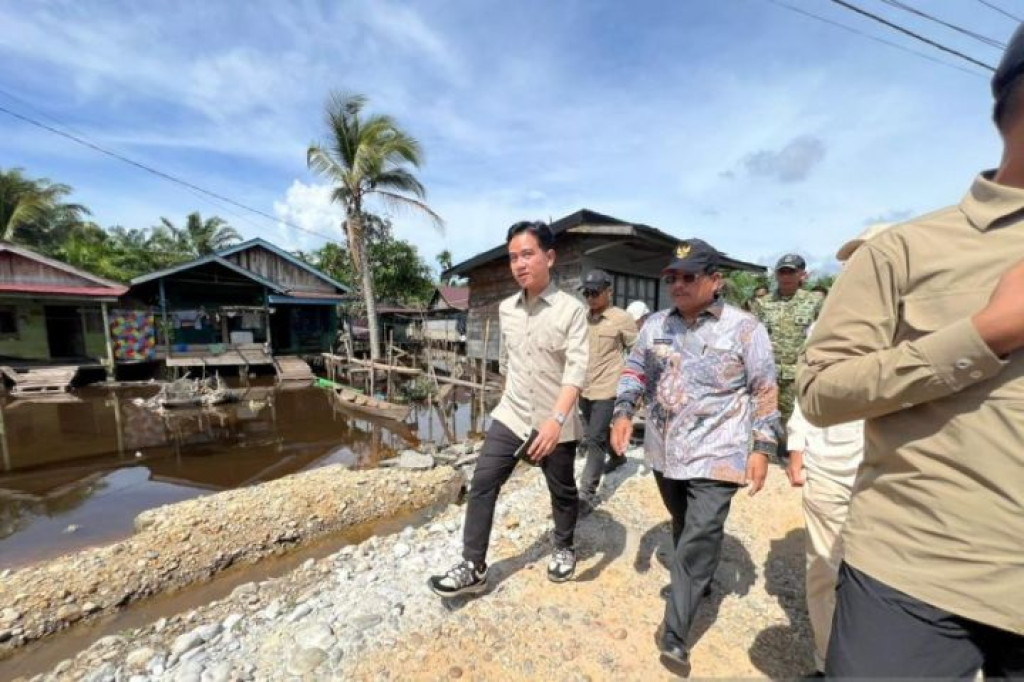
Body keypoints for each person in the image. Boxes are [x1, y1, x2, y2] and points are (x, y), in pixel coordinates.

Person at [797, 27, 1024, 678]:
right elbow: (818, 386)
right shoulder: (906, 251)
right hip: (916, 568)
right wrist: (986, 333)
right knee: (821, 569)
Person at [610, 238, 779, 675]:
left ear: (715, 281)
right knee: (683, 522)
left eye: (689, 277)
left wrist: (762, 447)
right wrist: (623, 411)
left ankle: (675, 633)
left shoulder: (745, 329)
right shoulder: (654, 326)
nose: (678, 285)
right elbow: (634, 369)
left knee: (701, 532)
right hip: (665, 451)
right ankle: (697, 580)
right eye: (673, 277)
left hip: (719, 451)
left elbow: (764, 389)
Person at [428, 221, 588, 597]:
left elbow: (576, 371)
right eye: (513, 257)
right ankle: (474, 566)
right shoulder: (506, 309)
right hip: (512, 414)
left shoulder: (572, 311)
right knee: (483, 483)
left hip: (555, 420)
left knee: (562, 490)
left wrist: (556, 420)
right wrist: (505, 402)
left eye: (527, 254)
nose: (519, 264)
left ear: (550, 257)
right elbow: (507, 363)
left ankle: (564, 546)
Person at [785, 223, 890, 677]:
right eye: (853, 262)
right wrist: (797, 448)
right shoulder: (826, 326)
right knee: (824, 570)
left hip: (892, 474)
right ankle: (828, 662)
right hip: (829, 465)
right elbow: (808, 392)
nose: (858, 269)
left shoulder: (928, 324)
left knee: (883, 580)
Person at [576, 269, 637, 513]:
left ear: (608, 292)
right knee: (597, 431)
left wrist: (634, 390)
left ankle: (586, 494)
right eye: (586, 293)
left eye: (595, 292)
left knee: (594, 438)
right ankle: (619, 457)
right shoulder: (582, 318)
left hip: (608, 388)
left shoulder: (621, 318)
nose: (590, 298)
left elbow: (637, 353)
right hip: (584, 387)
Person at [750, 254, 823, 430]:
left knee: (799, 421)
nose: (786, 277)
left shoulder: (815, 302)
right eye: (782, 272)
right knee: (767, 417)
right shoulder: (762, 304)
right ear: (776, 275)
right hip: (769, 374)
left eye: (791, 272)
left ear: (802, 275)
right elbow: (752, 339)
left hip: (800, 373)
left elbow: (825, 336)